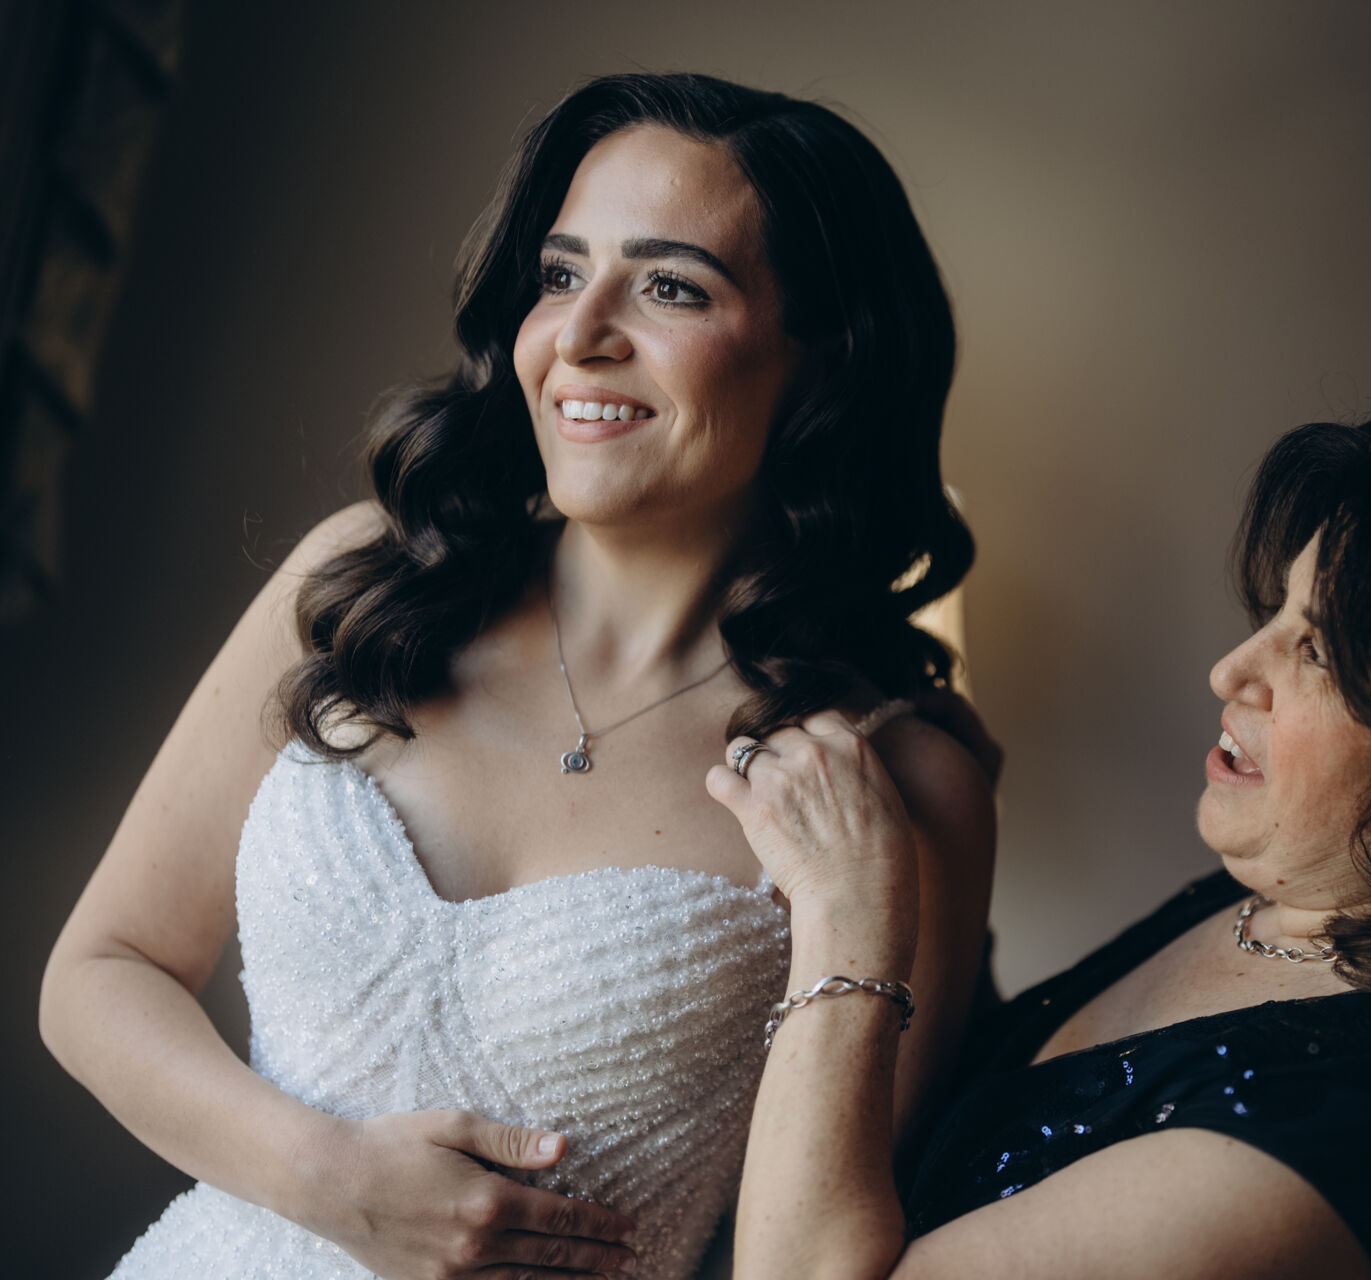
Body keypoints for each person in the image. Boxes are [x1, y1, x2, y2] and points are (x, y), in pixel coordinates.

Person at [39, 73, 995, 1280]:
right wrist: (331, 1180)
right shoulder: (360, 585)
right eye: (558, 273)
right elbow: (101, 971)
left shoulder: (897, 781)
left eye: (670, 286)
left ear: (824, 356)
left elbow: (811, 1258)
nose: (579, 334)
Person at [707, 405, 1371, 1279]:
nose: (1233, 669)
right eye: (1277, 612)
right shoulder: (1287, 906)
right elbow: (1000, 1141)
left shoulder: (1354, 1144)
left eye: (1319, 651)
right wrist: (954, 868)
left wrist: (851, 918)